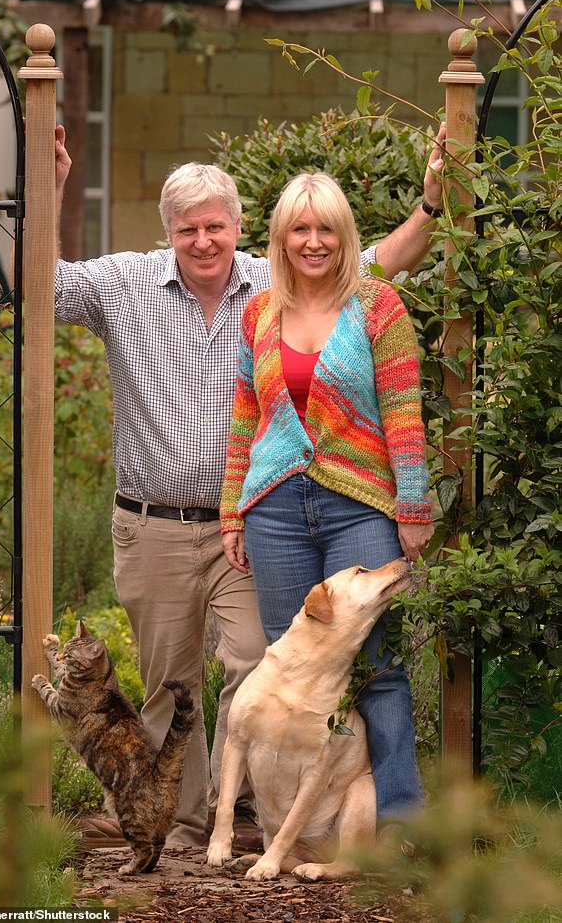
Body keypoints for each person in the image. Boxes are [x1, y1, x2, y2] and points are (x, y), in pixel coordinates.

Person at [53, 123, 444, 849]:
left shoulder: (315, 290)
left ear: (238, 227)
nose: (203, 240)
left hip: (303, 515)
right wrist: (48, 188)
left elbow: (387, 300)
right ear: (168, 230)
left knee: (291, 665)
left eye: (216, 225)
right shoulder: (173, 291)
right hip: (200, 521)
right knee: (179, 679)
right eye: (188, 228)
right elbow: (46, 292)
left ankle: (325, 819)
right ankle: (191, 824)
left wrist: (430, 204)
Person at [220, 171, 435, 827]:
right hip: (276, 512)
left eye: (325, 230)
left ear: (344, 237)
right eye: (300, 229)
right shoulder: (258, 312)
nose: (313, 242)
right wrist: (234, 510)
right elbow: (244, 416)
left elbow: (402, 411)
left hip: (360, 510)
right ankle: (303, 823)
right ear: (282, 239)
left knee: (376, 667)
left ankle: (397, 820)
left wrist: (414, 507)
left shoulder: (378, 306)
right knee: (292, 668)